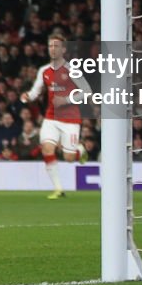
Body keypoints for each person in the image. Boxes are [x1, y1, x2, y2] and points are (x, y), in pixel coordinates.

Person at [22, 34, 90, 199]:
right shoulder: (43, 71)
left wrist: (66, 99)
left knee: (68, 158)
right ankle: (58, 189)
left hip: (71, 119)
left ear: (63, 49)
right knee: (47, 148)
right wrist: (28, 96)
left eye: (56, 46)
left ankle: (79, 150)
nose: (53, 49)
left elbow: (87, 92)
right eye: (50, 46)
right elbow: (36, 90)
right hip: (51, 118)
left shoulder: (71, 70)